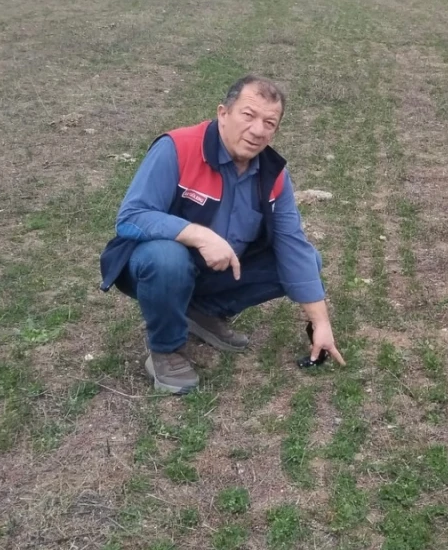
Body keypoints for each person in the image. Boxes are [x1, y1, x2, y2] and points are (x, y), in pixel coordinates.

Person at [99, 75, 345, 394]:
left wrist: (321, 323)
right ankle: (165, 350)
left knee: (308, 259)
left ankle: (201, 312)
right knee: (167, 258)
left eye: (269, 123)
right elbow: (132, 216)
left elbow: (292, 245)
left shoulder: (274, 175)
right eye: (248, 115)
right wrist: (199, 236)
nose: (257, 130)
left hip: (216, 271)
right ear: (223, 113)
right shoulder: (177, 148)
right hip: (154, 267)